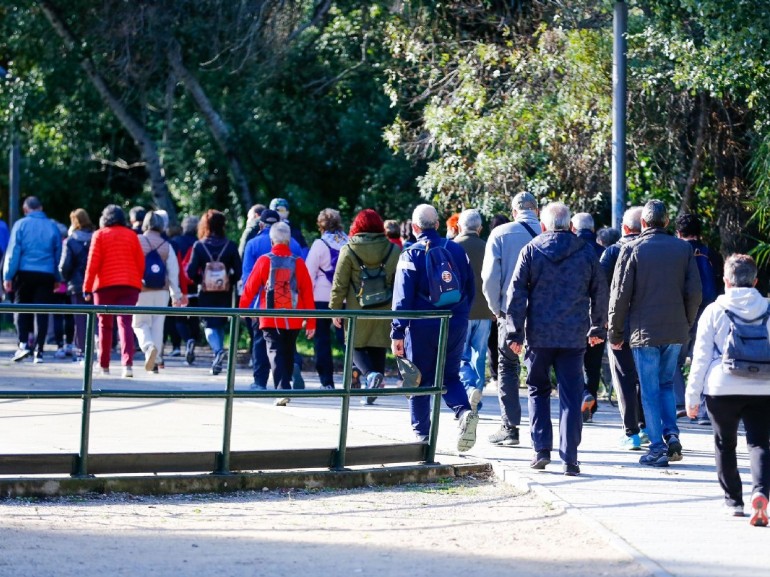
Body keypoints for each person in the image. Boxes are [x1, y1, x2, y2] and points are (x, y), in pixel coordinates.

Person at [506, 202, 608, 476]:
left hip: (539, 335)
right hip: (574, 336)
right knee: (571, 395)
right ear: (571, 226)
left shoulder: (532, 249)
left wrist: (513, 333)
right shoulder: (586, 252)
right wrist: (598, 328)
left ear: (543, 224)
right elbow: (600, 291)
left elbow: (516, 293)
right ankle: (570, 458)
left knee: (538, 390)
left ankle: (541, 449)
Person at [609, 199, 702, 467]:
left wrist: (615, 334)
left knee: (648, 389)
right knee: (665, 385)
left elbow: (619, 296)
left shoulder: (632, 249)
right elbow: (695, 292)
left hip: (644, 332)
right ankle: (672, 435)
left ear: (643, 223)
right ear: (667, 223)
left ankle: (658, 448)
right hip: (675, 330)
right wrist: (686, 321)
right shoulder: (683, 249)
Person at [686, 254, 770, 526]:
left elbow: (700, 357)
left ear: (726, 281)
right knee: (759, 443)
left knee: (725, 444)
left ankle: (733, 502)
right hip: (764, 387)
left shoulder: (714, 310)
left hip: (722, 387)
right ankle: (761, 493)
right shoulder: (768, 308)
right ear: (755, 281)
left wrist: (692, 396)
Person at [391, 204, 478, 451]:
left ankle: (423, 438)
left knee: (417, 379)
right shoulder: (458, 250)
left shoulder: (410, 254)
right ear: (438, 224)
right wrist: (459, 315)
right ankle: (463, 413)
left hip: (421, 326)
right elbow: (470, 289)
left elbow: (402, 298)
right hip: (455, 322)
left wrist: (397, 331)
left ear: (415, 227)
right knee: (450, 375)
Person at [480, 191, 541, 447]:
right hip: (544, 313)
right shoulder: (551, 232)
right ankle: (542, 430)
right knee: (538, 368)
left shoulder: (500, 234)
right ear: (536, 210)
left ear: (514, 211)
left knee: (507, 366)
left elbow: (490, 278)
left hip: (510, 312)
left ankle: (510, 427)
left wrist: (497, 309)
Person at [239, 222, 315, 405]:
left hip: (269, 316)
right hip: (294, 317)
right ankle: (285, 384)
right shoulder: (298, 262)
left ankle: (282, 389)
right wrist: (311, 321)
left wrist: (242, 308)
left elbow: (250, 286)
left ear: (272, 241)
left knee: (274, 351)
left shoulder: (265, 260)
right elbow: (307, 292)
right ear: (288, 241)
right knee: (288, 351)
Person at [329, 209, 399, 404]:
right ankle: (372, 389)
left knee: (353, 344)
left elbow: (339, 283)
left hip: (356, 308)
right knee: (378, 345)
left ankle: (369, 376)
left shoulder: (349, 249)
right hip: (384, 307)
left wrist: (335, 309)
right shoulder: (393, 250)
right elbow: (397, 281)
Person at [599, 207, 647, 450]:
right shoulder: (651, 250)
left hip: (619, 325)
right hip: (649, 326)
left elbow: (599, 288)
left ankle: (632, 433)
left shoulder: (611, 252)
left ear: (625, 228)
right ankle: (647, 425)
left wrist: (600, 322)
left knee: (625, 378)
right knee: (647, 378)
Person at [242, 209, 302, 388]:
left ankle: (260, 382)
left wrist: (247, 307)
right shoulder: (295, 245)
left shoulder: (252, 244)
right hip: (290, 303)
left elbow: (247, 278)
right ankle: (291, 369)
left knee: (261, 342)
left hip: (263, 304)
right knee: (287, 341)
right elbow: (302, 276)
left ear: (261, 225)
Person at [83, 204, 145, 378]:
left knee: (105, 325)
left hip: (104, 286)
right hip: (129, 285)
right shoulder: (132, 235)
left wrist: (87, 288)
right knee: (125, 323)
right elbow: (140, 262)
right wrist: (136, 281)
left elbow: (92, 263)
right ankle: (128, 365)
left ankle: (104, 365)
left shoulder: (100, 235)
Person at [674, 213, 723, 424]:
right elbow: (720, 285)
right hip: (707, 312)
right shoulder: (712, 254)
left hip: (680, 313)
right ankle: (703, 410)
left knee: (672, 360)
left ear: (678, 233)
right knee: (703, 359)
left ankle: (678, 403)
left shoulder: (675, 252)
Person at [2, 196, 63, 363]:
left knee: (21, 308)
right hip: (46, 273)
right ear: (41, 208)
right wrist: (57, 277)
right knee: (41, 311)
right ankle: (39, 351)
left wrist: (8, 275)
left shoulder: (21, 225)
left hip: (24, 272)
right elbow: (58, 254)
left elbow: (14, 251)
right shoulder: (52, 226)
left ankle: (23, 344)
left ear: (25, 209)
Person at [185, 209, 242, 376]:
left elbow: (190, 272)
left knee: (209, 324)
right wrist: (227, 282)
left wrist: (201, 281)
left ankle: (217, 352)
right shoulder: (230, 246)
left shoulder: (199, 245)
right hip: (224, 292)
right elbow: (238, 272)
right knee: (220, 322)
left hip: (206, 292)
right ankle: (219, 352)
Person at [132, 211, 185, 373]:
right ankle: (157, 360)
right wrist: (176, 295)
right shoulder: (166, 245)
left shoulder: (138, 241)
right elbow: (173, 272)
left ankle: (148, 348)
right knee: (157, 325)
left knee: (139, 323)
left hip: (141, 289)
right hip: (162, 291)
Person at [305, 209, 348, 389]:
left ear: (321, 224)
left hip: (321, 298)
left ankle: (327, 381)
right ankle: (353, 375)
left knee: (322, 339)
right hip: (345, 298)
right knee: (346, 339)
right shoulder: (348, 242)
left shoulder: (319, 244)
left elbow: (309, 274)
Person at [454, 209, 492, 410]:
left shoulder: (453, 247)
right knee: (480, 355)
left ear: (459, 226)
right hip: (485, 310)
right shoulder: (488, 247)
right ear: (480, 228)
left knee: (459, 355)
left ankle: (469, 389)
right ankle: (476, 391)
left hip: (461, 310)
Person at [570, 212, 606, 423]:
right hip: (600, 317)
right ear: (593, 229)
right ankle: (589, 409)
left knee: (573, 361)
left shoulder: (572, 251)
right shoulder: (605, 252)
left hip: (576, 316)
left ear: (573, 228)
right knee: (593, 364)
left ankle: (583, 395)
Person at [59, 208, 95, 363]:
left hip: (77, 283)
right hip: (95, 283)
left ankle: (82, 352)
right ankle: (96, 349)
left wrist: (66, 279)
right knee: (97, 317)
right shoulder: (96, 237)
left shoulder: (71, 241)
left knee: (80, 318)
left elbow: (64, 266)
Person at [170, 215, 201, 365]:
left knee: (179, 318)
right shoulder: (198, 243)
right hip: (195, 285)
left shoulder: (175, 242)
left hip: (179, 285)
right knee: (194, 317)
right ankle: (193, 342)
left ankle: (181, 343)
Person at [485, 214, 509, 388]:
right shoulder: (511, 242)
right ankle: (508, 374)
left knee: (493, 342)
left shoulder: (491, 243)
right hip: (513, 301)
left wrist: (493, 306)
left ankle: (495, 375)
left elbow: (490, 277)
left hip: (493, 302)